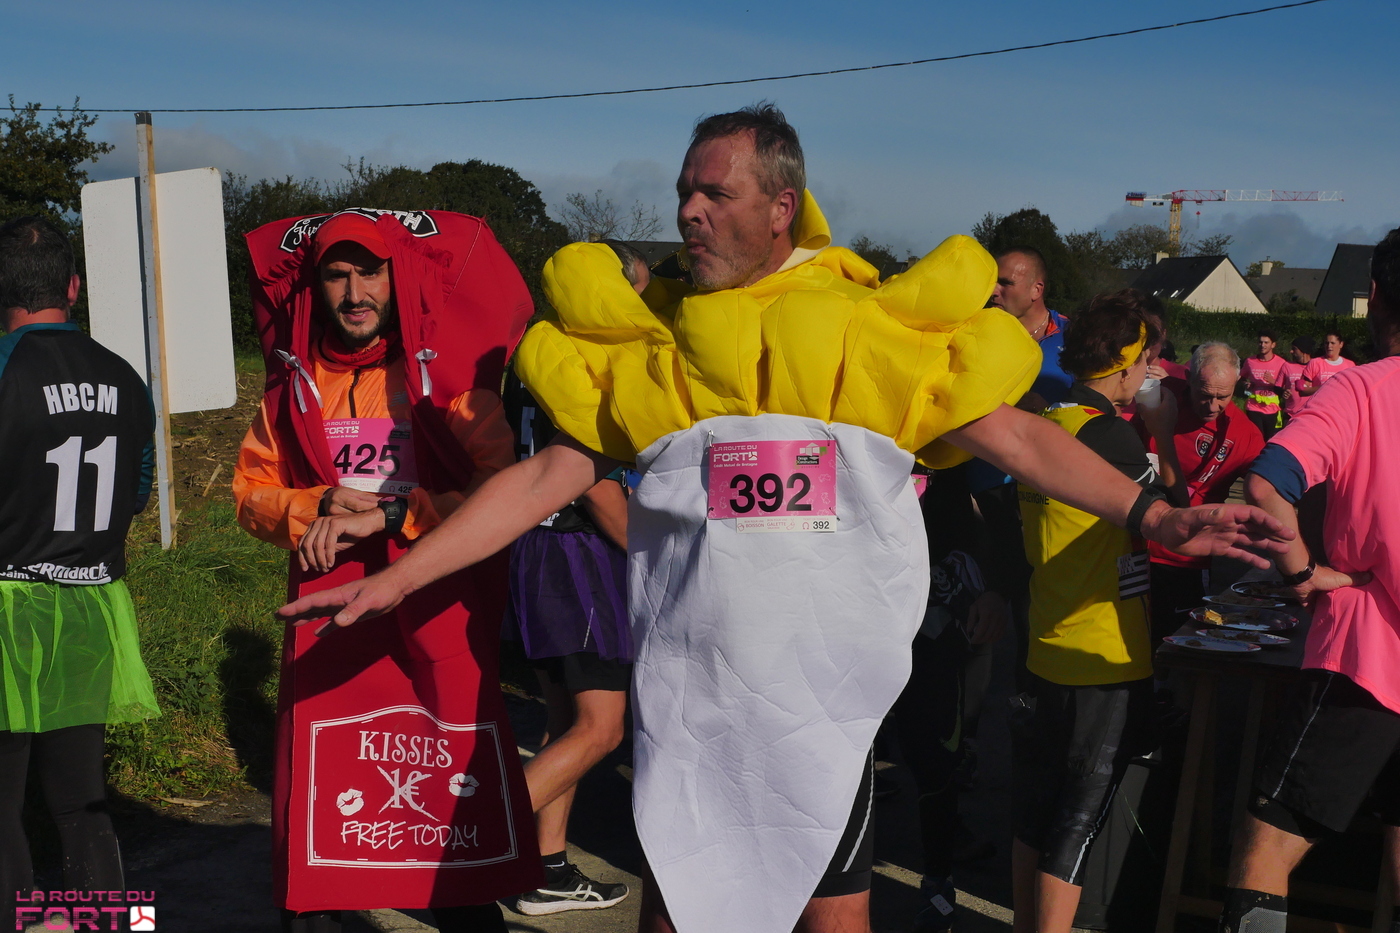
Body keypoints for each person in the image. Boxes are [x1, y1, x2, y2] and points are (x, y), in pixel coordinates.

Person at [277, 104, 1288, 933]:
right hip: (691, 714)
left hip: (819, 718)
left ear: (780, 208)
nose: (688, 211)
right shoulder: (662, 350)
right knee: (678, 911)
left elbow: (1018, 438)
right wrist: (399, 574)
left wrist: (1153, 514)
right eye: (684, 191)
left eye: (714, 193)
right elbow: (545, 477)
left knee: (830, 918)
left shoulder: (859, 337)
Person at [233, 209, 539, 933]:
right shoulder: (293, 391)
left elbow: (501, 492)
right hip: (331, 634)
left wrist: (399, 513)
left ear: (398, 278)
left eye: (370, 273)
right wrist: (313, 504)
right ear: (316, 287)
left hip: (436, 625)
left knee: (455, 850)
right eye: (337, 275)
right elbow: (249, 494)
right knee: (321, 851)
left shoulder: (446, 384)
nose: (355, 292)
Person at [1218, 229, 1400, 933]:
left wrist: (1300, 573)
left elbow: (1268, 484)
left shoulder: (1360, 388)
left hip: (1368, 655)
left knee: (1265, 846)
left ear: (1374, 297)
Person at [0, 217, 160, 923]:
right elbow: (138, 491)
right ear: (73, 287)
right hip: (92, 606)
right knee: (81, 800)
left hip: (7, 610)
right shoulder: (124, 376)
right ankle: (112, 920)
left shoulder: (4, 368)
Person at [1011, 291, 1170, 933]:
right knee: (1078, 818)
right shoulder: (1111, 436)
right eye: (1147, 361)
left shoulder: (1047, 422)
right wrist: (1162, 433)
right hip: (1103, 651)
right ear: (1127, 365)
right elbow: (1174, 514)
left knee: (1035, 809)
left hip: (1044, 640)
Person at [501, 241, 645, 916]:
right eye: (632, 293)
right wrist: (651, 549)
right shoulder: (582, 358)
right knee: (602, 729)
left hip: (533, 546)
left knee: (564, 723)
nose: (639, 308)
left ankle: (547, 869)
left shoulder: (531, 352)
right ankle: (463, 844)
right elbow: (593, 483)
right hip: (579, 553)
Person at [967, 246, 1074, 702]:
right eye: (993, 281)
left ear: (1036, 289)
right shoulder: (974, 329)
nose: (994, 290)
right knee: (981, 603)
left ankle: (1031, 701)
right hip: (985, 486)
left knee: (1035, 604)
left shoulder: (1073, 337)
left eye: (1005, 282)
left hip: (1044, 487)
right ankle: (974, 715)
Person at [1135, 343, 1265, 644]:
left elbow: (1268, 488)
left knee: (1180, 639)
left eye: (1223, 396)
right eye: (1205, 395)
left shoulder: (1245, 434)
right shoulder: (1160, 397)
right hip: (1132, 541)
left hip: (1184, 557)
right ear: (1189, 378)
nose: (1213, 406)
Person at [1241, 329, 1288, 440]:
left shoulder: (1281, 363)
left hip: (1272, 408)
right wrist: (1246, 384)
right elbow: (1241, 378)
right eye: (1260, 342)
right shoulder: (1250, 361)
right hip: (1253, 407)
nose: (1262, 345)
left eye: (1266, 342)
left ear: (1273, 345)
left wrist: (1273, 382)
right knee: (1256, 438)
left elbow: (1287, 386)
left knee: (1270, 439)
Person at [1298, 329, 1356, 397]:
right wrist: (1323, 388)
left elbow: (1354, 389)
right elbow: (1302, 390)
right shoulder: (1314, 363)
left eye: (1333, 343)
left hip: (1342, 403)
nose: (1329, 346)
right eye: (1326, 343)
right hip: (1320, 403)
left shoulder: (1350, 365)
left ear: (1341, 344)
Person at [1279, 335, 1314, 422]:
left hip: (1310, 415)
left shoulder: (1317, 366)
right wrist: (1283, 392)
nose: (1291, 351)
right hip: (1290, 415)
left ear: (1303, 350)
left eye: (1294, 349)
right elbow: (1277, 387)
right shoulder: (1287, 366)